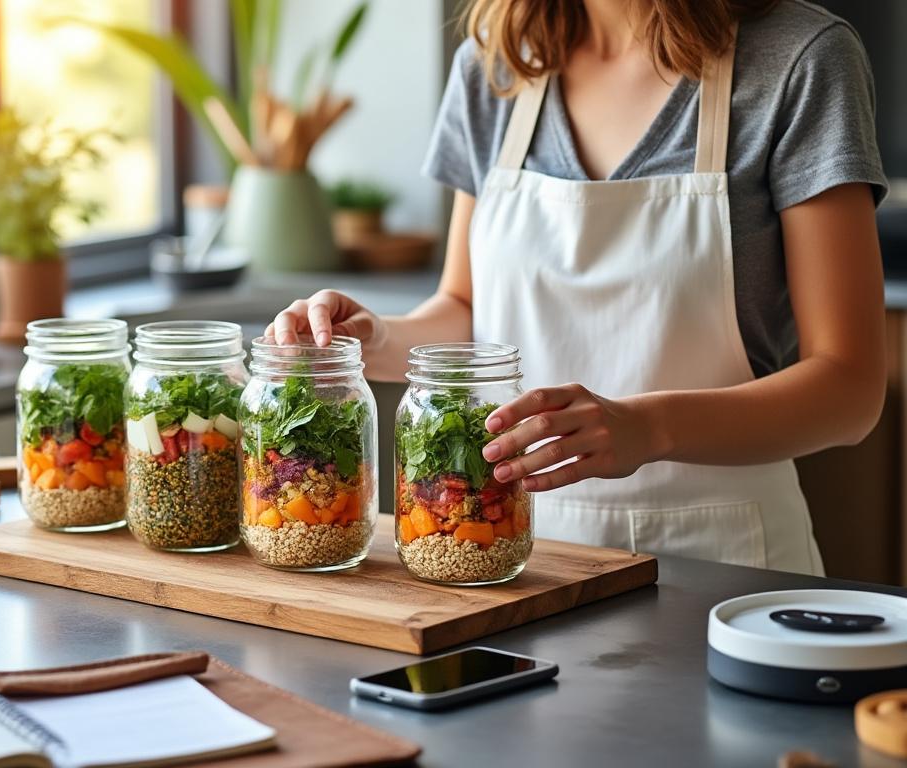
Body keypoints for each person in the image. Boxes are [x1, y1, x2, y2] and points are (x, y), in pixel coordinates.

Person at [267, 0, 888, 574]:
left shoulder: (800, 58)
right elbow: (466, 308)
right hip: (512, 555)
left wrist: (650, 428)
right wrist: (369, 340)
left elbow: (851, 389)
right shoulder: (495, 66)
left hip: (724, 562)